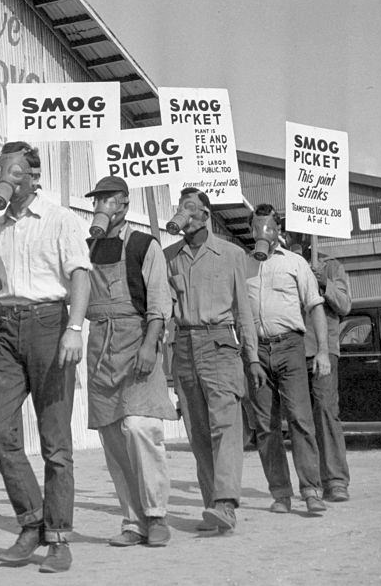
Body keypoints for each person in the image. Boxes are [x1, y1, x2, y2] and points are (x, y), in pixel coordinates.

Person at [0, 142, 91, 574]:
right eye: (3, 170)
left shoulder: (61, 219)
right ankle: (32, 520)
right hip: (8, 326)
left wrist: (74, 329)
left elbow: (80, 274)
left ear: (34, 176)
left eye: (17, 171)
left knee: (54, 441)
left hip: (50, 325)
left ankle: (58, 539)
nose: (9, 178)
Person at [163, 187, 265, 534]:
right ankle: (213, 508)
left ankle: (225, 504)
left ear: (206, 215)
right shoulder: (168, 256)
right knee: (198, 432)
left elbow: (244, 310)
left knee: (226, 426)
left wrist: (252, 357)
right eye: (180, 207)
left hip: (220, 343)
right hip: (184, 347)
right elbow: (163, 315)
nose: (184, 213)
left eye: (190, 207)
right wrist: (166, 369)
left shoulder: (231, 254)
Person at [84, 176, 177, 548]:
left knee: (140, 428)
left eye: (107, 199)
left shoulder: (143, 244)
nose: (101, 206)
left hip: (137, 341)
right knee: (112, 436)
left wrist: (149, 345)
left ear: (123, 203)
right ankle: (133, 520)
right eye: (97, 200)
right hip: (100, 346)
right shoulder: (86, 247)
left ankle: (156, 516)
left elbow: (159, 302)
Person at [245, 205, 330, 515]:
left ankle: (311, 490)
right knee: (266, 427)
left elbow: (315, 306)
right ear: (250, 229)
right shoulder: (244, 266)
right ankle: (280, 493)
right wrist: (250, 355)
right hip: (256, 352)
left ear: (278, 229)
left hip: (290, 346)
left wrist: (322, 350)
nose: (262, 231)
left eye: (268, 225)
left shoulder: (296, 263)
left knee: (300, 420)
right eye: (257, 226)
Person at [284, 231, 353, 502]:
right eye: (290, 233)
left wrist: (323, 283)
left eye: (301, 233)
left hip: (323, 350)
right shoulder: (285, 263)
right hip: (293, 350)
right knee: (300, 418)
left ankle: (335, 480)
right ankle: (310, 484)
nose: (296, 238)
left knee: (325, 410)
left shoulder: (331, 266)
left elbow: (345, 305)